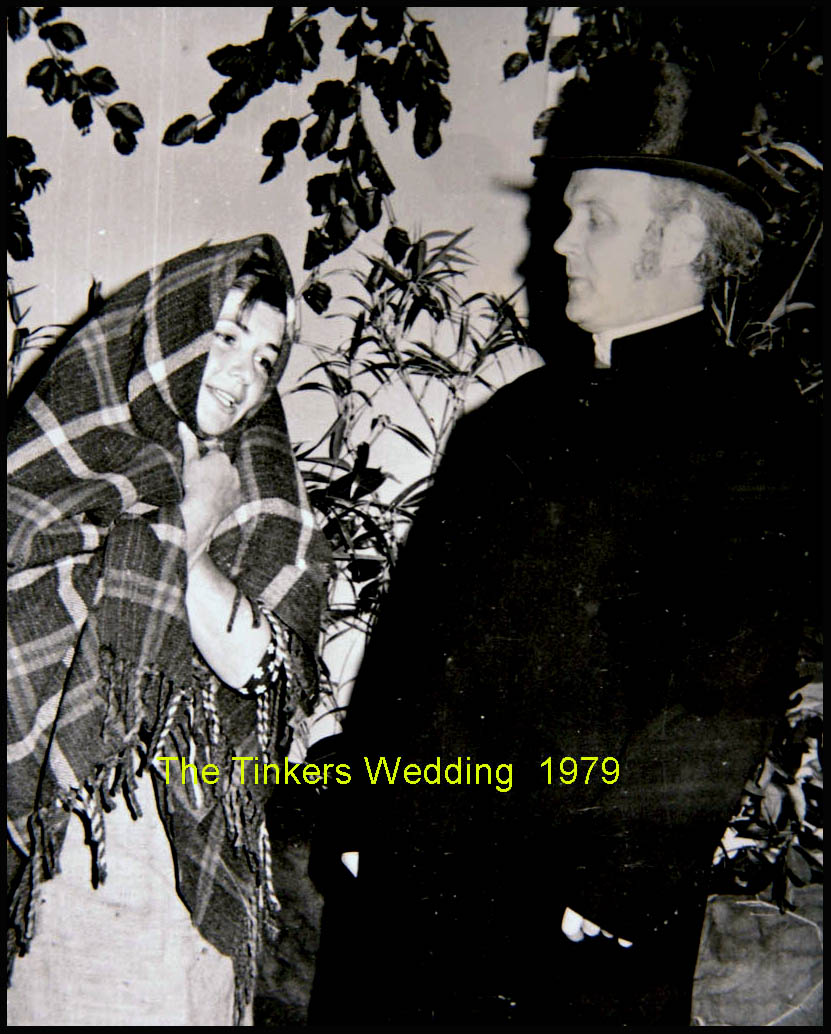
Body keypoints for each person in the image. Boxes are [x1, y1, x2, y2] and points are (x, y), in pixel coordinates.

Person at [308, 58, 818, 1025]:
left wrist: (622, 878)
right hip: (412, 888)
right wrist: (367, 814)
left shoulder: (753, 430)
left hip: (571, 911)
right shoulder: (505, 423)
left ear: (684, 240)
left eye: (596, 219)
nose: (558, 241)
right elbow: (408, 652)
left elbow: (726, 689)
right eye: (566, 214)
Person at [7, 235, 330, 1025]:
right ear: (172, 331)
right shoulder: (57, 460)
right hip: (70, 850)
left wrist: (192, 533)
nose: (242, 376)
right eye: (228, 338)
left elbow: (258, 668)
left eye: (266, 359)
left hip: (189, 847)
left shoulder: (261, 491)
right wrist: (187, 520)